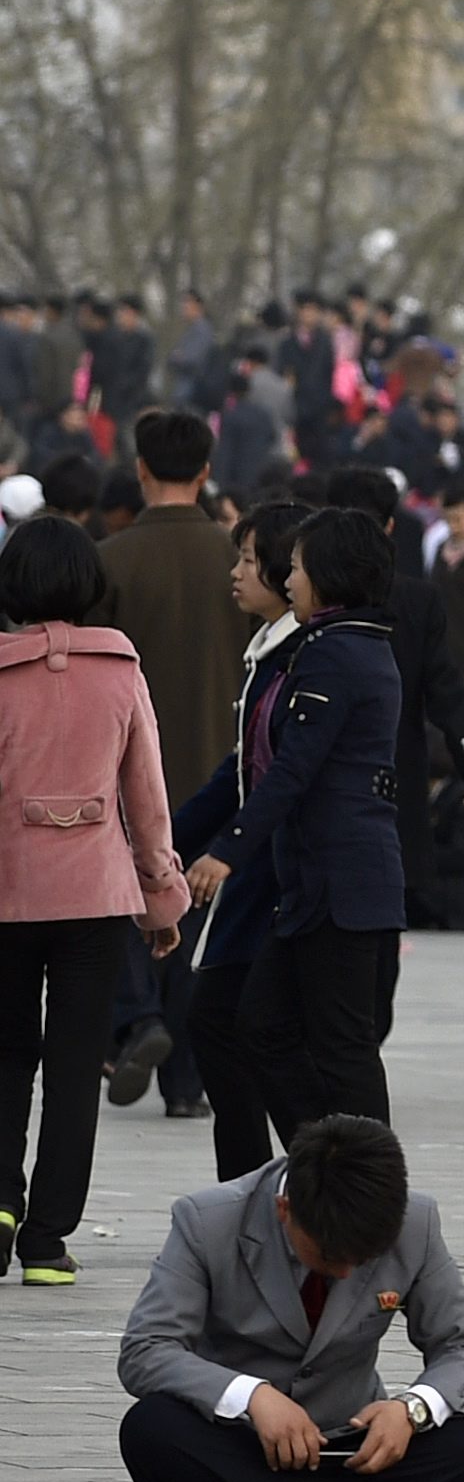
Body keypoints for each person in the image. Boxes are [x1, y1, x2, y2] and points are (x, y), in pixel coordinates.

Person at [116, 1114, 464, 1482]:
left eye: (365, 1258)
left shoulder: (416, 1222)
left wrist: (411, 1409)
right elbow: (146, 1350)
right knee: (152, 1428)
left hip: (350, 1447)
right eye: (330, 1254)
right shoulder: (207, 1221)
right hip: (240, 1443)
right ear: (286, 1211)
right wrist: (251, 1397)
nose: (345, 1271)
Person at [0, 520, 190, 1285]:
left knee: (6, 1056)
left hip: (8, 897)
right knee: (78, 1066)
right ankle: (47, 1240)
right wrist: (162, 898)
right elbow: (147, 798)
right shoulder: (120, 670)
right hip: (94, 900)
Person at [183, 507, 404, 1130]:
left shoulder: (335, 653)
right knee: (262, 1026)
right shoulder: (337, 645)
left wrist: (226, 849)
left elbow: (292, 769)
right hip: (316, 885)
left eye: (298, 569)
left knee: (342, 1050)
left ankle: (366, 1192)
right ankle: (322, 1170)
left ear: (330, 574)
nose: (289, 582)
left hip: (342, 885)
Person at [97, 407, 244, 1123]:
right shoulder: (239, 558)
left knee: (133, 909)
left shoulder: (111, 558)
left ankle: (138, 1019)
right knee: (196, 921)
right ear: (207, 471)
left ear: (141, 470)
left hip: (127, 770)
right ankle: (189, 1082)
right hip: (222, 769)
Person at [172, 504, 308, 1179]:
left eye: (249, 560)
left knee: (235, 1023)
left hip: (276, 875)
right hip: (254, 869)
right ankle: (254, 1191)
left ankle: (315, 1179)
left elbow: (279, 775)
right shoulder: (269, 652)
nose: (237, 572)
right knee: (221, 1023)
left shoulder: (300, 657)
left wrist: (223, 848)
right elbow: (240, 769)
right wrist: (172, 840)